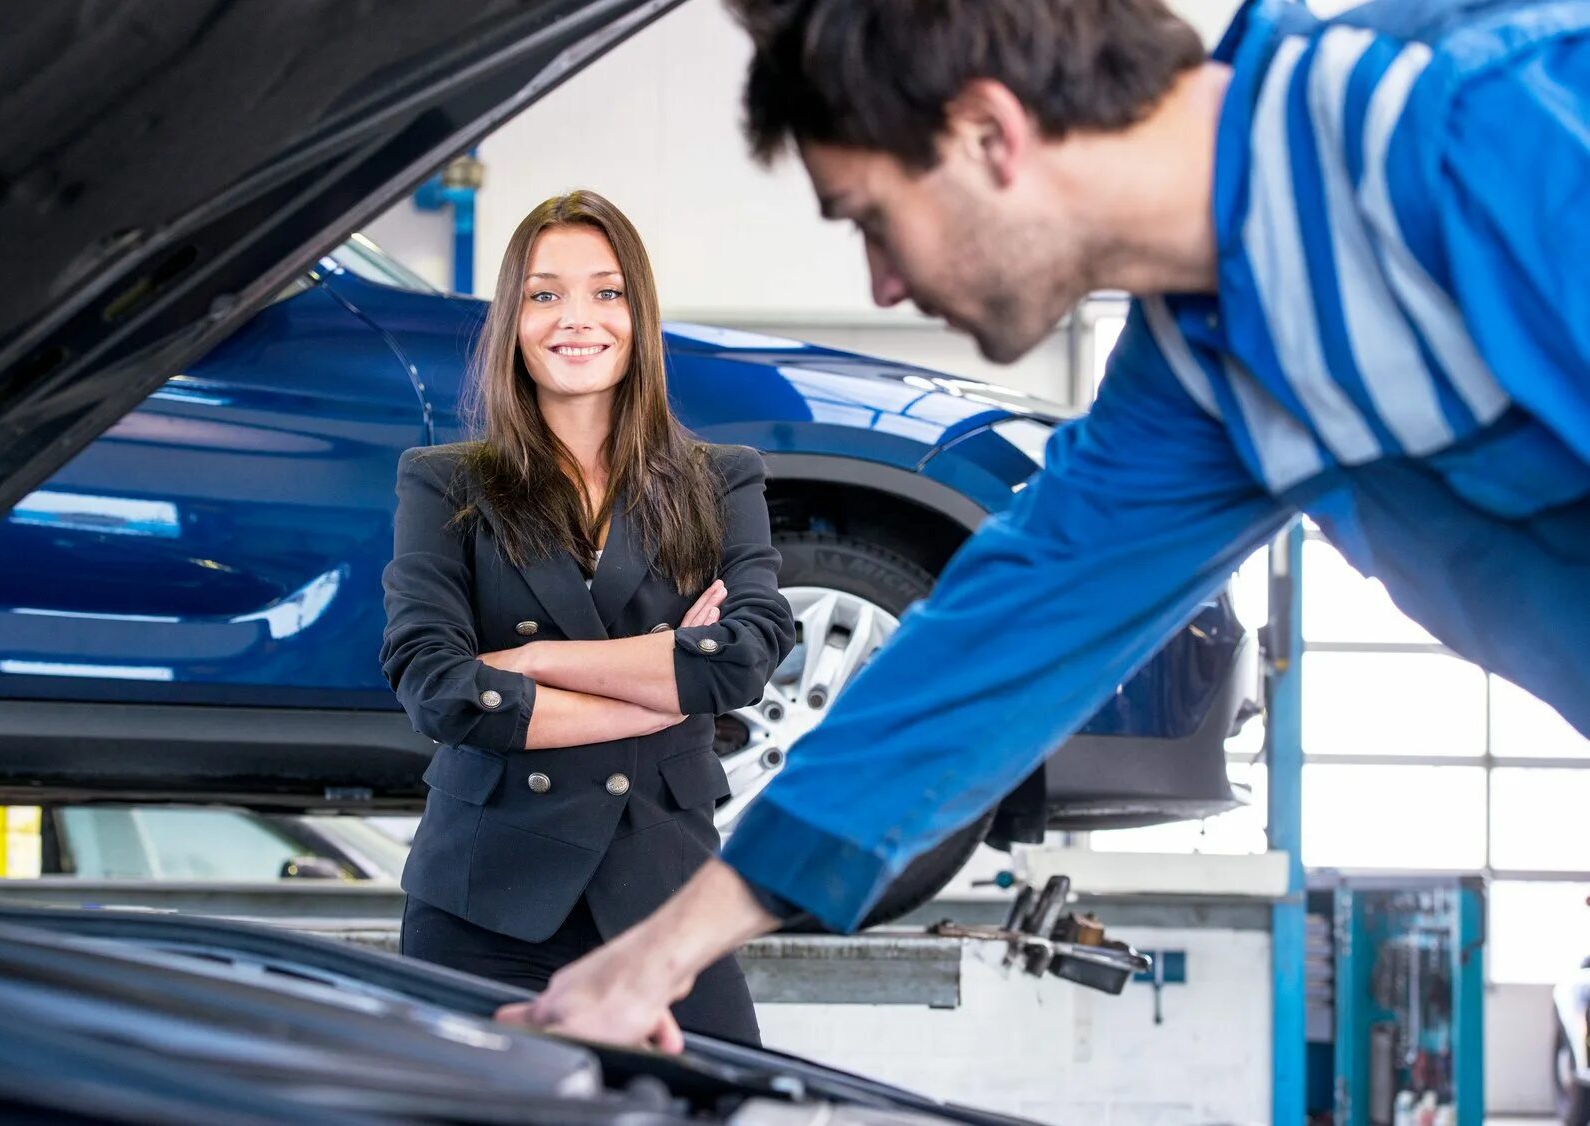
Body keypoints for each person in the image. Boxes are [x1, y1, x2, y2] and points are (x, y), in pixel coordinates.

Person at [497, 0, 1590, 1051]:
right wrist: (653, 959)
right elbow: (988, 652)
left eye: (874, 219)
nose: (882, 286)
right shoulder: (1208, 371)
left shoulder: (1482, 127)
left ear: (989, 132)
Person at [381, 189, 794, 1046]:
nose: (578, 319)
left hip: (663, 898)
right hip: (484, 899)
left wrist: (531, 664)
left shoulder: (721, 478)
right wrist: (662, 681)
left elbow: (742, 658)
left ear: (638, 315)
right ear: (512, 321)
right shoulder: (443, 481)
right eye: (544, 294)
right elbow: (439, 689)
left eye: (606, 293)